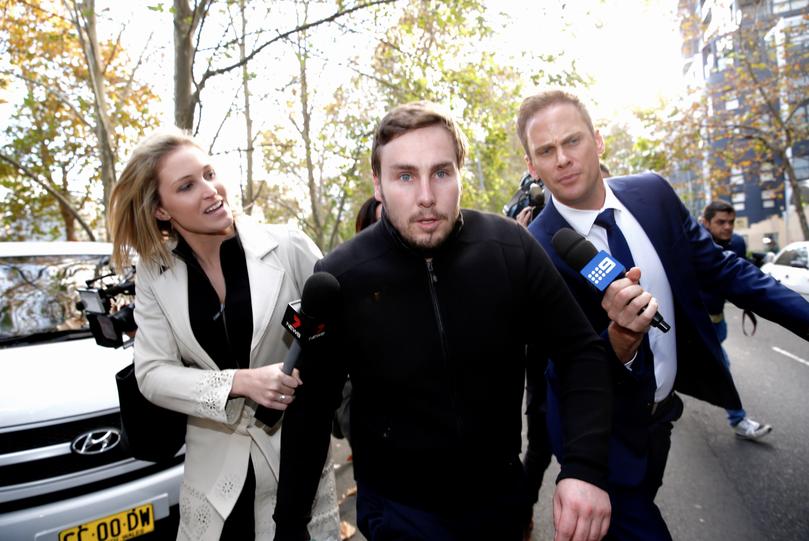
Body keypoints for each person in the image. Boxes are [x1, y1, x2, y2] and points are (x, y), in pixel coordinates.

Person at [274, 102, 614, 541]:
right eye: (404, 176)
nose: (426, 197)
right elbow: (311, 407)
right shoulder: (341, 276)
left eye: (441, 172)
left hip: (500, 506)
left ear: (460, 173)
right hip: (397, 513)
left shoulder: (511, 249)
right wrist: (290, 525)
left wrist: (585, 467)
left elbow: (580, 351)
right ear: (377, 184)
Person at [519, 90, 809, 540]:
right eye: (545, 151)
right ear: (532, 166)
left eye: (572, 141)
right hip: (601, 440)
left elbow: (725, 269)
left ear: (597, 141)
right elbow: (559, 375)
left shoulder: (653, 194)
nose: (562, 159)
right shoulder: (532, 252)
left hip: (662, 418)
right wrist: (616, 339)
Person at [108, 128, 340, 541]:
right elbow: (152, 373)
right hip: (214, 476)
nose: (211, 190)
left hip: (295, 461)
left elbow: (341, 340)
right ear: (162, 210)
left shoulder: (288, 247)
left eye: (209, 173)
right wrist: (239, 382)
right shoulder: (154, 275)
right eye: (187, 186)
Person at [700, 200, 772, 440]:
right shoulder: (690, 245)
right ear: (705, 222)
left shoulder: (738, 243)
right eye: (721, 222)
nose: (728, 227)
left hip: (718, 321)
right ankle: (739, 420)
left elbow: (738, 277)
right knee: (722, 367)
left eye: (731, 222)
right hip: (693, 324)